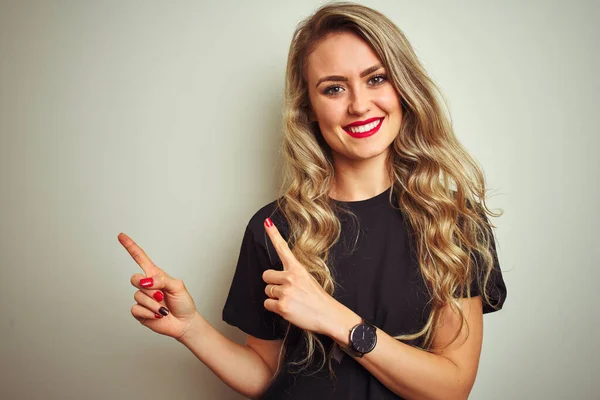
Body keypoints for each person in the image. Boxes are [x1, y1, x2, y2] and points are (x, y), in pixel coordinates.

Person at [119, 2, 507, 399]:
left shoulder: (452, 221)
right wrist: (190, 328)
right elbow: (266, 375)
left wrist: (337, 320)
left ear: (404, 88)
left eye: (376, 79)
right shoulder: (273, 229)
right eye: (334, 88)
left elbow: (452, 387)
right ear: (309, 107)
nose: (358, 104)